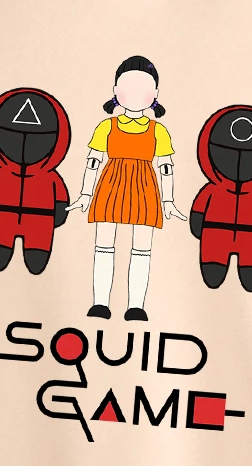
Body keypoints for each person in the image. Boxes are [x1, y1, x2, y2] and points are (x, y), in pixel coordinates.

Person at [67, 55, 187, 320]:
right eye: (127, 87)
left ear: (155, 93)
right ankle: (100, 303)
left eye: (142, 88)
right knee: (103, 245)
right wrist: (85, 194)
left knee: (142, 248)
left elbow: (166, 167)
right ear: (115, 90)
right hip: (111, 184)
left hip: (145, 188)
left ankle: (136, 307)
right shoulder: (106, 126)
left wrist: (168, 201)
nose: (134, 94)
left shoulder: (158, 131)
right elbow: (93, 161)